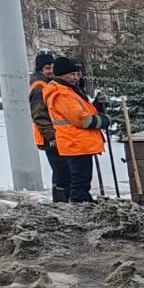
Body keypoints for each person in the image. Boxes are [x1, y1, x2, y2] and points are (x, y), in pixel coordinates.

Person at [41, 57, 105, 204]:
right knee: (79, 179)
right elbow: (81, 119)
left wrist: (98, 107)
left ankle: (83, 201)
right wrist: (102, 121)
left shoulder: (70, 91)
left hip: (79, 142)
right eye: (72, 74)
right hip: (75, 142)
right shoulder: (61, 93)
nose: (76, 78)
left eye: (77, 74)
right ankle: (80, 204)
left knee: (82, 178)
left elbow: (85, 111)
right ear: (61, 75)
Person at [29, 51, 71, 203]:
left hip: (54, 135)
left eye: (52, 66)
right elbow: (39, 115)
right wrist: (52, 136)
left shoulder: (48, 84)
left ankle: (62, 201)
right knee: (61, 171)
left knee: (61, 171)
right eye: (47, 68)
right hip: (50, 137)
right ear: (40, 70)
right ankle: (61, 202)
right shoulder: (40, 87)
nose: (51, 70)